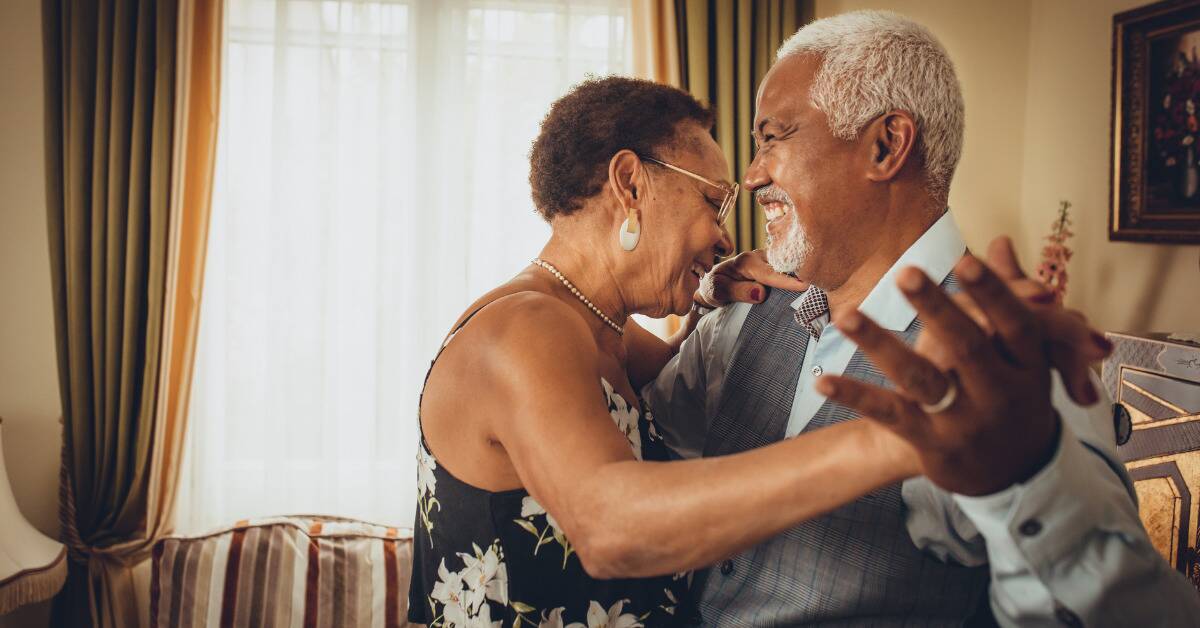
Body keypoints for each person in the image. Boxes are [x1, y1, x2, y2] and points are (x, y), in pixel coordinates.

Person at [406, 74, 1111, 626]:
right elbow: (610, 525)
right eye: (713, 203)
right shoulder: (524, 330)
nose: (724, 234)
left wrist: (705, 297)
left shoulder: (599, 332)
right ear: (629, 183)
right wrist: (907, 437)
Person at [645, 10, 1200, 626]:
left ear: (885, 146)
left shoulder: (1011, 367)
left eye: (773, 137)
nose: (750, 176)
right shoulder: (741, 314)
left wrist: (1032, 474)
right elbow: (645, 449)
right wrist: (696, 310)